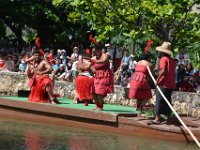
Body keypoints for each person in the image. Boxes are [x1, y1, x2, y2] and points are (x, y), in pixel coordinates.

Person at [153, 41, 176, 124]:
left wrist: (157, 80)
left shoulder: (163, 59)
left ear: (162, 52)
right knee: (167, 101)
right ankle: (168, 119)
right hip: (170, 84)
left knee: (159, 100)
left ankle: (157, 118)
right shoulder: (172, 60)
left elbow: (163, 71)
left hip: (164, 83)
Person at [92, 45, 114, 111]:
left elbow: (104, 61)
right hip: (97, 75)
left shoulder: (105, 55)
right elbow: (92, 68)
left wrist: (94, 61)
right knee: (93, 92)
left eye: (95, 52)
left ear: (99, 50)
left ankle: (100, 106)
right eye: (93, 52)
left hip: (105, 75)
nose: (94, 53)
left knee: (99, 91)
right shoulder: (93, 58)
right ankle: (97, 105)